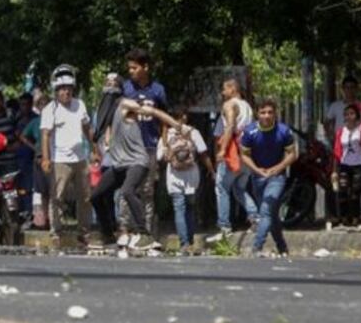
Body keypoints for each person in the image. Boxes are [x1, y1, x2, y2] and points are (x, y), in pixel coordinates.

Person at [91, 93, 178, 252]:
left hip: (137, 162)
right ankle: (108, 234)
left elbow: (153, 112)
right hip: (119, 166)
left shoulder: (124, 106)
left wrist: (178, 126)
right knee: (96, 196)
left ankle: (144, 234)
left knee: (127, 191)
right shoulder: (110, 119)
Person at [40, 65, 99, 247]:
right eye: (62, 89)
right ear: (56, 91)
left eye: (68, 89)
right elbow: (45, 134)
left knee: (85, 197)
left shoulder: (79, 105)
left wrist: (94, 148)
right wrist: (46, 158)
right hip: (59, 160)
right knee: (58, 197)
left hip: (80, 158)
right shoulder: (50, 109)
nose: (65, 92)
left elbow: (87, 128)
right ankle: (56, 232)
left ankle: (84, 232)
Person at [240, 99, 298, 258]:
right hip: (257, 177)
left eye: (270, 112)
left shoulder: (284, 131)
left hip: (276, 177)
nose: (266, 116)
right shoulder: (249, 131)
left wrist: (276, 169)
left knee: (265, 211)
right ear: (257, 114)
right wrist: (257, 170)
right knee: (271, 215)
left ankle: (256, 247)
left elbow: (292, 154)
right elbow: (244, 155)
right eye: (263, 112)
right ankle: (282, 247)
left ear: (275, 114)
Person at [121, 48, 168, 243]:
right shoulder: (126, 88)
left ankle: (145, 231)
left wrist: (163, 142)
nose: (131, 71)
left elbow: (164, 117)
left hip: (150, 146)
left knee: (148, 190)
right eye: (129, 68)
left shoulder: (158, 90)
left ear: (145, 67)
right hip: (129, 147)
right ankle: (125, 229)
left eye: (134, 67)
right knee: (127, 189)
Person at [158, 107, 214, 255]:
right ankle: (189, 241)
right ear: (185, 118)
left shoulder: (167, 134)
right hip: (191, 177)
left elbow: (160, 157)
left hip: (174, 177)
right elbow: (203, 153)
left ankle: (184, 244)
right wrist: (212, 170)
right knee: (189, 208)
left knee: (179, 209)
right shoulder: (193, 132)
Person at [209, 78, 258, 242]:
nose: (223, 93)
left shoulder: (229, 105)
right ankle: (255, 218)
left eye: (224, 89)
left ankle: (224, 227)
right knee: (239, 189)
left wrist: (222, 149)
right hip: (246, 153)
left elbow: (229, 126)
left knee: (222, 188)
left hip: (232, 152)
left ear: (232, 89)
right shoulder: (248, 107)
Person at [332, 104, 361, 226]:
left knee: (355, 193)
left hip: (359, 164)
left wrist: (357, 105)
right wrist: (334, 170)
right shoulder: (341, 132)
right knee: (342, 192)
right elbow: (337, 151)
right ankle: (343, 218)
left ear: (356, 116)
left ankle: (355, 218)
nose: (349, 116)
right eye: (346, 114)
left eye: (352, 114)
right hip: (344, 164)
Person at [20, 94, 51, 229]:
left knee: (55, 190)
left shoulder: (54, 120)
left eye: (46, 105)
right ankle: (46, 219)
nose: (44, 108)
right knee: (43, 191)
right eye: (41, 105)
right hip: (39, 157)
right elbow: (23, 136)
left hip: (54, 157)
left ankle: (55, 218)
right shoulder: (35, 122)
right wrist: (34, 147)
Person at [324, 76, 361, 146]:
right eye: (347, 87)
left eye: (352, 87)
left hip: (357, 145)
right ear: (343, 89)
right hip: (339, 144)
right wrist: (331, 137)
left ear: (356, 89)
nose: (350, 90)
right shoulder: (335, 106)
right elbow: (327, 122)